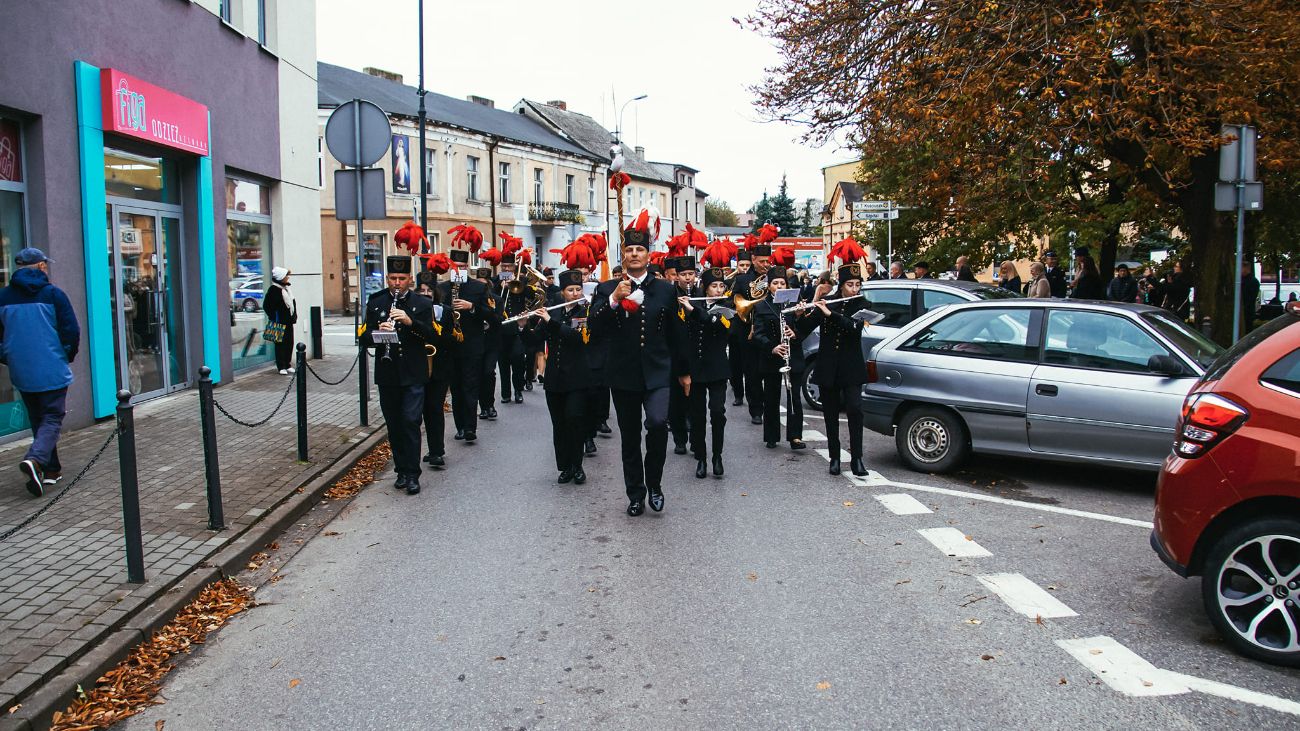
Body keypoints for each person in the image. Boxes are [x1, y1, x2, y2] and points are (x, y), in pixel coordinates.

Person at [588, 207, 686, 517]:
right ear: (624, 254)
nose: (633, 254)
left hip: (658, 372)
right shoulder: (606, 290)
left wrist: (684, 372)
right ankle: (635, 492)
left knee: (658, 425)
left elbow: (675, 334)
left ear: (648, 254)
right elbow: (594, 327)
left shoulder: (666, 291)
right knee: (629, 437)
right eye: (628, 249)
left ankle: (654, 483)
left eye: (639, 249)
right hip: (623, 374)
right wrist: (615, 299)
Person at [0, 248, 80, 496]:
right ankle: (35, 460)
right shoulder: (53, 294)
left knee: (38, 418)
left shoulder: (3, 297)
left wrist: (8, 357)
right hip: (51, 367)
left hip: (21, 369)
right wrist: (66, 355)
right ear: (42, 267)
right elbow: (71, 330)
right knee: (53, 417)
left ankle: (50, 470)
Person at [362, 255, 436, 494]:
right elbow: (362, 338)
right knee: (394, 425)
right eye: (392, 278)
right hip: (388, 373)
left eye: (401, 278)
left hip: (413, 373)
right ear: (387, 278)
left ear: (409, 280)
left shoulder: (422, 305)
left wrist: (410, 321)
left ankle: (413, 474)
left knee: (411, 422)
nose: (396, 283)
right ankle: (401, 470)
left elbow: (432, 336)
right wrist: (377, 331)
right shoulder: (376, 302)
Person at [521, 270, 593, 484]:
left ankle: (578, 465)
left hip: (577, 378)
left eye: (578, 289)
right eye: (570, 290)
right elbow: (535, 340)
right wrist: (523, 326)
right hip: (555, 378)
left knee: (574, 420)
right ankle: (565, 467)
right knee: (559, 424)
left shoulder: (585, 312)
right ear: (562, 292)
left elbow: (576, 339)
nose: (575, 293)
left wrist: (550, 321)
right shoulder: (554, 313)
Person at [802, 263, 870, 477]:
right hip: (828, 365)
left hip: (851, 366)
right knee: (830, 413)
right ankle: (835, 457)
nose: (854, 289)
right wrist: (808, 307)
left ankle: (857, 458)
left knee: (855, 409)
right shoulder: (828, 302)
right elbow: (806, 327)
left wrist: (830, 314)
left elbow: (853, 328)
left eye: (857, 284)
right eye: (850, 285)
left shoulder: (862, 305)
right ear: (841, 285)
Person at [680, 267, 733, 478]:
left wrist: (695, 311)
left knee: (718, 412)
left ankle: (717, 456)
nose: (718, 289)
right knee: (698, 415)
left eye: (721, 285)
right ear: (706, 287)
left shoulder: (727, 307)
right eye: (714, 286)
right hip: (697, 368)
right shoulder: (693, 303)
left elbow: (721, 328)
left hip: (718, 368)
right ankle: (701, 458)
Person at [751, 267, 810, 452]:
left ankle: (795, 436)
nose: (779, 286)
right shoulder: (761, 306)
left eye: (782, 283)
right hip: (772, 357)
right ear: (769, 287)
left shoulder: (795, 304)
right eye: (775, 283)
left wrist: (796, 330)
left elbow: (804, 331)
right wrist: (772, 347)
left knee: (795, 398)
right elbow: (758, 334)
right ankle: (771, 436)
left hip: (793, 357)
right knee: (771, 397)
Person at [437, 250, 491, 442]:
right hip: (450, 347)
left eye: (461, 267)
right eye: (455, 267)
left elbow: (491, 315)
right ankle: (460, 425)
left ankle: (470, 427)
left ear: (467, 267)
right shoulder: (442, 288)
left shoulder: (478, 288)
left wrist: (473, 307)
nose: (458, 270)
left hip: (471, 346)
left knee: (470, 387)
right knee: (456, 388)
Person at [415, 271, 456, 469]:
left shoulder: (445, 311)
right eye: (421, 290)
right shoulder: (411, 310)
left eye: (429, 290)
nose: (425, 294)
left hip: (439, 367)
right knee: (418, 411)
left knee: (434, 408)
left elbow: (452, 339)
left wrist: (436, 332)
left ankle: (437, 451)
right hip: (417, 367)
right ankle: (421, 451)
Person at [734, 245, 773, 424]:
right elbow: (734, 301)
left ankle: (768, 405)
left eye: (768, 261)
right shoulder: (742, 280)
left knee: (770, 372)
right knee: (752, 373)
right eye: (762, 261)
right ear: (754, 260)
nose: (766, 265)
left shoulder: (773, 277)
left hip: (770, 331)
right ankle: (755, 409)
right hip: (748, 332)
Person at [667, 256, 696, 454]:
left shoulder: (701, 293)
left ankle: (695, 438)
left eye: (691, 274)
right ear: (676, 276)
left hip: (695, 355)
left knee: (695, 401)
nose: (688, 278)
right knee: (675, 401)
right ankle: (679, 439)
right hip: (673, 355)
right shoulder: (669, 296)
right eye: (684, 275)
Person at [263, 267, 297, 375]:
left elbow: (292, 303)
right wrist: (274, 316)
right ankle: (281, 366)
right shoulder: (273, 290)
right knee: (280, 344)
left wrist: (294, 315)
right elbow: (266, 306)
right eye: (286, 276)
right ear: (281, 277)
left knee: (289, 342)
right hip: (278, 321)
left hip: (288, 322)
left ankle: (287, 364)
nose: (288, 278)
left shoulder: (287, 289)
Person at [1241, 262, 1261, 331]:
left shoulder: (1253, 281)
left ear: (1246, 268)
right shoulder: (1243, 280)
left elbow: (1249, 298)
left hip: (1247, 312)